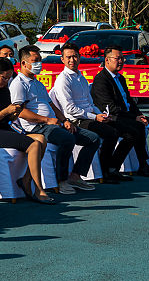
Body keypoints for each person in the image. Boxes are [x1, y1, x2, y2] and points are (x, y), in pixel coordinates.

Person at [9, 46, 99, 195]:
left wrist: (64, 120)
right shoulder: (19, 84)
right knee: (67, 139)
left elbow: (51, 104)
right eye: (35, 61)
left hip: (53, 123)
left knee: (93, 139)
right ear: (24, 64)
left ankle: (75, 176)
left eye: (40, 60)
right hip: (36, 127)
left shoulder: (37, 83)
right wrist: (46, 120)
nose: (39, 64)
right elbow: (20, 112)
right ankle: (61, 180)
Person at [0, 57, 53, 203]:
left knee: (41, 139)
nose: (6, 81)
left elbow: (8, 118)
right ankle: (39, 189)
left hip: (5, 128)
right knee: (34, 144)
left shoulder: (4, 90)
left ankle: (26, 180)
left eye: (9, 78)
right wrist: (6, 111)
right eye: (4, 78)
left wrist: (15, 112)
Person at [51, 43, 132, 184]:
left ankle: (113, 168)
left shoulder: (81, 77)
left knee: (126, 131)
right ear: (62, 59)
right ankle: (105, 171)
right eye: (68, 57)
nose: (72, 60)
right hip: (77, 120)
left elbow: (91, 104)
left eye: (75, 56)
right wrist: (95, 117)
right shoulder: (63, 80)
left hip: (91, 117)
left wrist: (101, 115)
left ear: (79, 57)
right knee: (110, 133)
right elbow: (70, 109)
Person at [90, 47, 149, 177]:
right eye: (117, 58)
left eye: (122, 58)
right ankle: (136, 165)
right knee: (137, 127)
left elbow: (129, 101)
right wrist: (134, 118)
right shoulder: (101, 80)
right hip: (114, 118)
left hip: (128, 115)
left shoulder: (120, 78)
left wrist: (139, 115)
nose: (120, 61)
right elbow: (111, 108)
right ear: (107, 60)